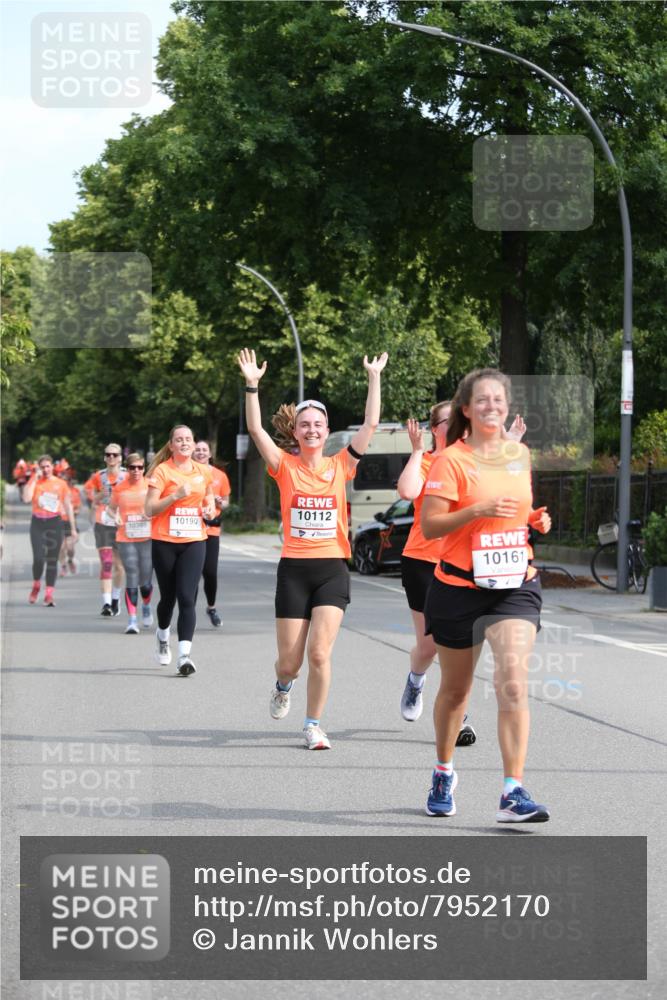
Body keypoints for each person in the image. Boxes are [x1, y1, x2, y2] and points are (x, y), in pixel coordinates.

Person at [237, 346, 388, 751]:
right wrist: (252, 386)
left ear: (325, 430)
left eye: (318, 424)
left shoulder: (342, 464)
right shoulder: (283, 465)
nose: (311, 430)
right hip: (294, 571)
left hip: (332, 570)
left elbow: (371, 422)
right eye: (304, 425)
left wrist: (373, 377)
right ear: (297, 431)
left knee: (320, 654)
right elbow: (256, 431)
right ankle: (283, 684)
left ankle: (313, 724)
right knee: (291, 662)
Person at [421, 368, 551, 822]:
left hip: (515, 583)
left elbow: (516, 512)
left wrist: (534, 519)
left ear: (508, 406)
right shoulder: (450, 460)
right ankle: (443, 769)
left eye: (498, 400)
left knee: (512, 680)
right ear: (466, 409)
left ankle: (512, 791)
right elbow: (430, 526)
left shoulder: (519, 455)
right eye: (482, 400)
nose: (491, 406)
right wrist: (476, 509)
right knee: (456, 692)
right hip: (458, 586)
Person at [397, 406, 526, 731]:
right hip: (423, 562)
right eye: (448, 421)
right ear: (436, 429)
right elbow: (407, 492)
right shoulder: (429, 462)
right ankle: (416, 679)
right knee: (429, 646)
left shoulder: (477, 463)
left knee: (459, 644)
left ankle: (459, 718)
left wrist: (508, 447)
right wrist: (415, 452)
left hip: (466, 564)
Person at [145, 426, 216, 675]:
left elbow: (209, 498)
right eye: (179, 440)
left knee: (187, 597)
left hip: (195, 540)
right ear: (172, 445)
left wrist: (209, 509)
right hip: (165, 541)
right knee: (168, 598)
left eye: (188, 439)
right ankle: (163, 635)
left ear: (194, 443)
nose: (185, 443)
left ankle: (185, 656)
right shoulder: (162, 471)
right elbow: (149, 509)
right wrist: (174, 495)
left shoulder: (204, 471)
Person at [107, 453, 154, 635]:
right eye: (132, 467)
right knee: (132, 574)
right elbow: (110, 509)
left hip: (147, 537)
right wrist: (115, 515)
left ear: (144, 468)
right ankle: (132, 620)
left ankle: (147, 606)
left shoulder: (151, 485)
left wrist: (150, 514)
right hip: (126, 537)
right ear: (127, 468)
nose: (136, 471)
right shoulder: (120, 487)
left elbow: (159, 507)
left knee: (146, 580)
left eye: (140, 467)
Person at [23, 454, 77, 606]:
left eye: (48, 466)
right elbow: (27, 498)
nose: (45, 469)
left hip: (55, 523)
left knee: (52, 559)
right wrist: (34, 478)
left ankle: (49, 594)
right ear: (39, 469)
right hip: (38, 523)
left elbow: (68, 506)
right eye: (42, 467)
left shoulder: (60, 484)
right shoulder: (36, 483)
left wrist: (72, 528)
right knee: (39, 558)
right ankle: (36, 585)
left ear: (52, 467)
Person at [84, 445, 127, 616]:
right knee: (107, 563)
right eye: (108, 455)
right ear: (104, 458)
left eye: (114, 454)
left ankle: (116, 598)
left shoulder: (128, 474)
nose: (111, 457)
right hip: (103, 521)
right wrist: (99, 495)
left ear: (120, 458)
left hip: (122, 523)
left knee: (119, 566)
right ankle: (107, 604)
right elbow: (90, 495)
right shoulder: (99, 476)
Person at [192, 440, 231, 628]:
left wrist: (218, 502)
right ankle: (188, 608)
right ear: (192, 453)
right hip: (191, 529)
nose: (200, 452)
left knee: (210, 573)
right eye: (197, 449)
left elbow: (226, 503)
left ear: (210, 454)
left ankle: (211, 607)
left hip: (212, 529)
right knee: (192, 572)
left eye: (204, 450)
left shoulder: (220, 476)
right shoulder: (186, 473)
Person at [57, 462, 81, 575]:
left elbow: (78, 509)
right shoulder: (55, 491)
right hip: (57, 521)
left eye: (68, 479)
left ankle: (70, 560)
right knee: (61, 547)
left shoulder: (75, 492)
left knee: (70, 547)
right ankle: (63, 565)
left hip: (70, 522)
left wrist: (72, 511)